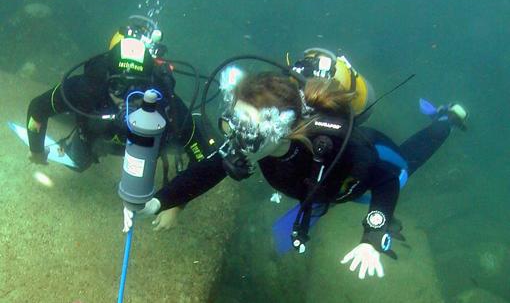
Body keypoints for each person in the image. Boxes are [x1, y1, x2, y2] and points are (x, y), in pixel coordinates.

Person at [123, 66, 467, 280]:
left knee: (408, 164)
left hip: (365, 174)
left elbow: (386, 182)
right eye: (235, 119)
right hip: (315, 190)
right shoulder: (252, 141)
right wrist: (156, 202)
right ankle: (315, 208)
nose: (236, 134)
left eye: (246, 124)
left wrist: (373, 237)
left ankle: (446, 120)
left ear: (281, 127)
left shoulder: (340, 149)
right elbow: (207, 171)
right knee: (312, 201)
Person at [27, 19, 215, 173]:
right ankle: (74, 127)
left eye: (138, 87)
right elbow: (38, 109)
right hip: (95, 135)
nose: (128, 96)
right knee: (77, 162)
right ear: (106, 79)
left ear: (150, 84)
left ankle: (197, 122)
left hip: (144, 146)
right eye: (118, 86)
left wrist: (174, 203)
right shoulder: (87, 89)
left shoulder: (164, 103)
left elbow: (200, 154)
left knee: (186, 136)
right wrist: (36, 149)